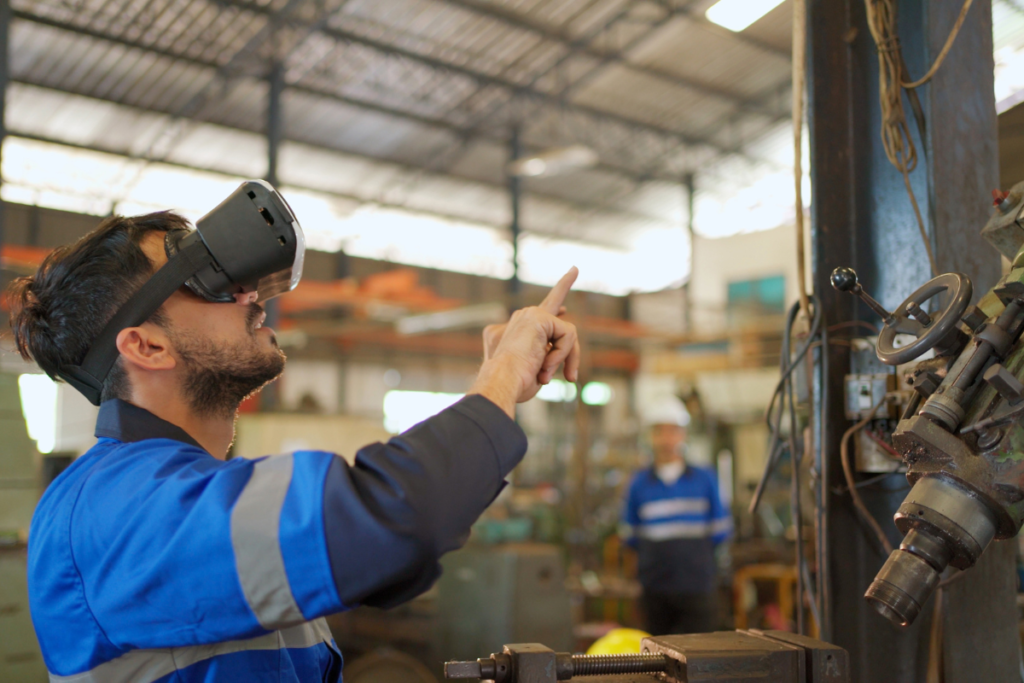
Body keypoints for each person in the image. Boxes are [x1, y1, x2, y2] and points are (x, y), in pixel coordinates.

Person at [12, 208, 580, 683]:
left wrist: (500, 384)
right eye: (206, 281)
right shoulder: (110, 510)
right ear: (148, 347)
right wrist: (504, 374)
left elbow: (375, 561)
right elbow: (392, 519)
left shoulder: (191, 489)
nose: (249, 293)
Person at [620, 396, 732, 635]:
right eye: (659, 431)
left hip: (698, 590)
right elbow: (630, 538)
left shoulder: (705, 480)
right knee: (658, 660)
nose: (666, 439)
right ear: (650, 437)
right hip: (655, 592)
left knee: (700, 658)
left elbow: (721, 531)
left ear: (684, 435)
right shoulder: (638, 484)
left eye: (673, 431)